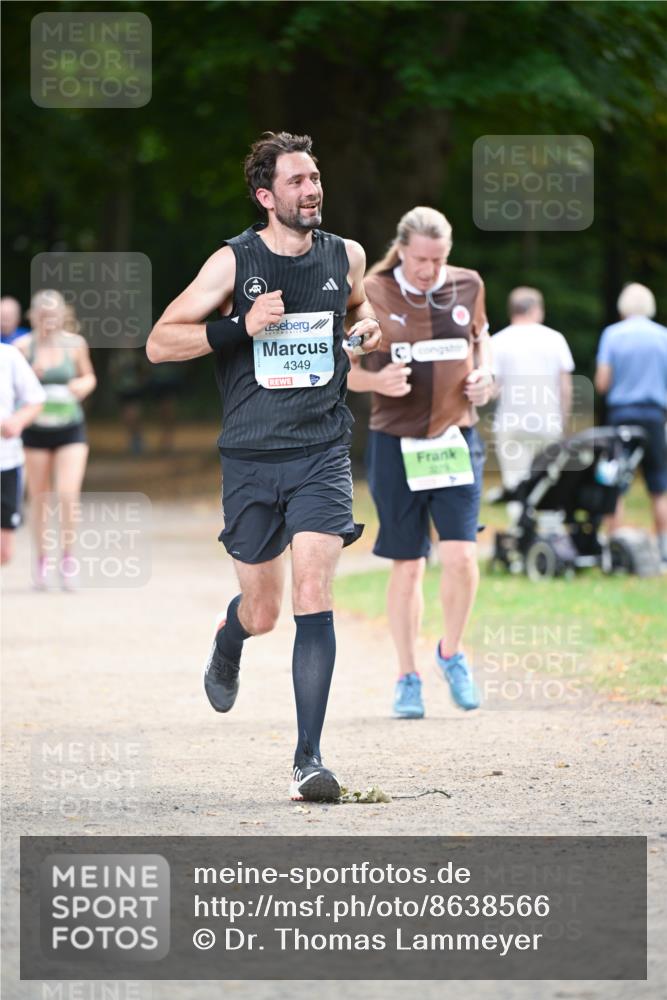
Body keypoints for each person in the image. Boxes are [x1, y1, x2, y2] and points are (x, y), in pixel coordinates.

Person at [146, 131, 381, 801]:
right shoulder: (233, 262)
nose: (312, 190)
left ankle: (308, 759)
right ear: (265, 195)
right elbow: (161, 343)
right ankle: (230, 635)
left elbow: (360, 314)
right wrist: (238, 327)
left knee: (314, 593)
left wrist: (365, 333)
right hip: (250, 457)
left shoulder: (346, 255)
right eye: (297, 181)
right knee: (264, 611)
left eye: (315, 178)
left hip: (321, 451)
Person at [347, 206, 493, 720]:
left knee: (461, 558)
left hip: (456, 439)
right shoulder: (373, 290)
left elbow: (482, 345)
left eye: (440, 259)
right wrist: (375, 381)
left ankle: (450, 653)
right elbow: (343, 370)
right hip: (396, 444)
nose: (432, 269)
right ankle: (407, 676)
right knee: (408, 565)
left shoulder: (468, 285)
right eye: (422, 259)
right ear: (402, 249)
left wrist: (485, 378)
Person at [18, 291, 96, 589]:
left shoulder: (75, 344)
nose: (48, 322)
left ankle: (67, 559)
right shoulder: (24, 348)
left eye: (53, 316)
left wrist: (81, 385)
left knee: (67, 494)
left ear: (63, 315)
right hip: (35, 430)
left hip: (70, 428)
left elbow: (90, 376)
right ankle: (42, 559)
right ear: (33, 316)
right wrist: (29, 376)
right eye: (42, 316)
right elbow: (10, 389)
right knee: (39, 498)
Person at [595, 282, 667, 563]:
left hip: (622, 416)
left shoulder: (613, 335)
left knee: (614, 482)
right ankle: (663, 548)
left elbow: (602, 382)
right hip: (654, 416)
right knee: (659, 484)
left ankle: (614, 546)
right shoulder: (663, 336)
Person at [491, 287, 574, 493]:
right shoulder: (555, 339)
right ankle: (548, 522)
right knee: (548, 482)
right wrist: (563, 421)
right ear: (536, 309)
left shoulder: (497, 341)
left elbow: (492, 388)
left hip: (511, 422)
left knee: (515, 480)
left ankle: (519, 521)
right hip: (547, 421)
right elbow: (565, 387)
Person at [0, 343, 46, 564]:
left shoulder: (8, 356)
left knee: (4, 552)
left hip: (6, 461)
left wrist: (17, 421)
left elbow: (35, 399)